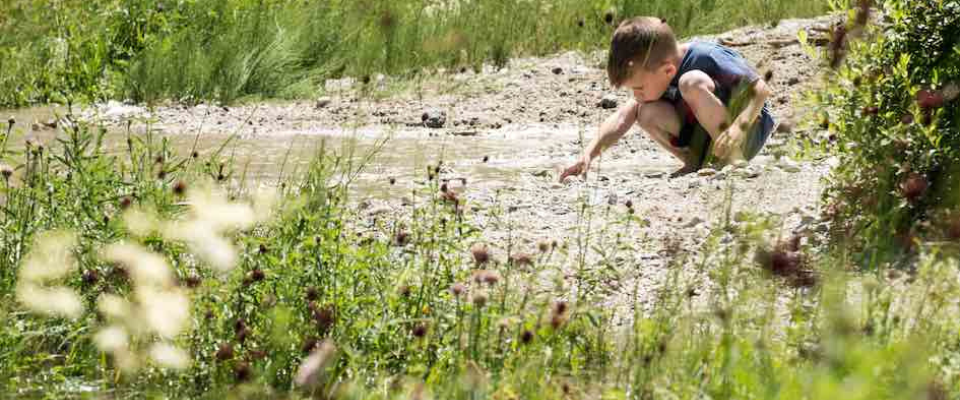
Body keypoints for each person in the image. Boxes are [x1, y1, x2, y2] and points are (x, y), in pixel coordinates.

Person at [560, 16, 776, 181]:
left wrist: (738, 128)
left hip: (747, 131)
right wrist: (588, 154)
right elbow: (620, 118)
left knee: (691, 83)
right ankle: (696, 163)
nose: (637, 94)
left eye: (639, 87)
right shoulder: (654, 75)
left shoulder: (706, 56)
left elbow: (761, 89)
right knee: (644, 112)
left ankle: (733, 161)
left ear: (667, 70)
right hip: (709, 141)